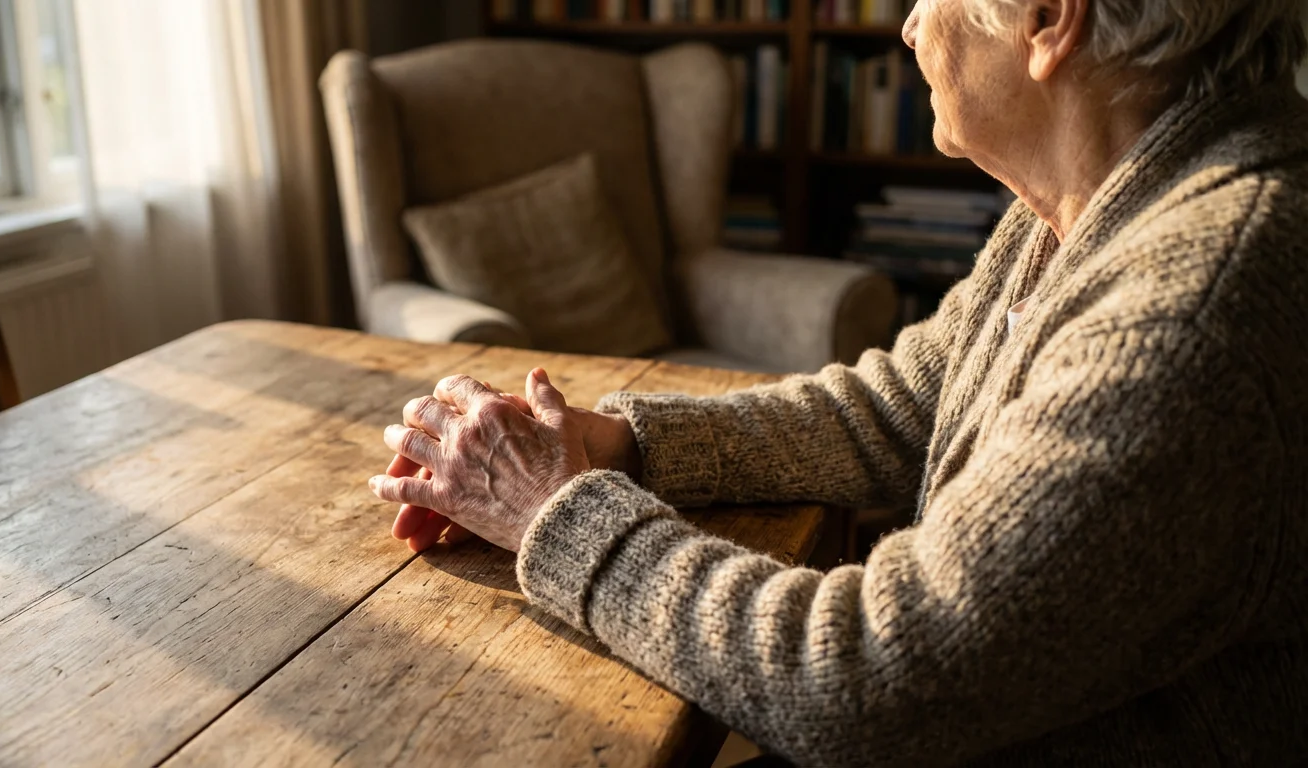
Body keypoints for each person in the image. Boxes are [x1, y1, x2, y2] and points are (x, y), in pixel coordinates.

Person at [368, 0, 1308, 763]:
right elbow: (906, 405)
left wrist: (552, 510)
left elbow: (862, 681)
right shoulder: (1100, 196)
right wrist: (629, 444)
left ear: (1048, 20)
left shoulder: (1186, 314)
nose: (905, 27)